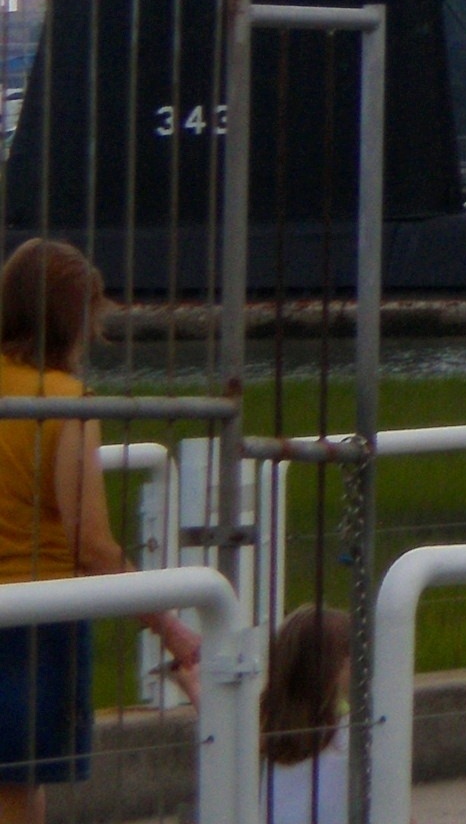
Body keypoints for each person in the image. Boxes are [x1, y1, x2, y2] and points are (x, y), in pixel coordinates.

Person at [0, 240, 200, 819]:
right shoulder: (66, 405)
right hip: (35, 620)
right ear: (72, 320)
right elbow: (92, 547)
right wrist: (170, 628)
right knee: (17, 789)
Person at [260, 605, 351, 824]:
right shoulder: (350, 735)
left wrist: (192, 684)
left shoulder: (266, 725)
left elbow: (224, 724)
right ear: (331, 669)